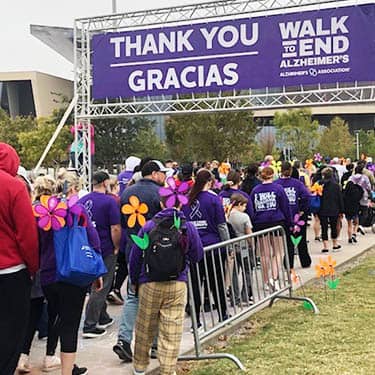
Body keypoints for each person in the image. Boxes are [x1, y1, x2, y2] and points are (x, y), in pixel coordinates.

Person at [35, 172, 102, 375]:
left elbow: (36, 243)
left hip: (48, 274)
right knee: (70, 324)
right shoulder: (77, 210)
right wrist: (96, 271)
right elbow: (93, 239)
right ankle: (66, 371)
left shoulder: (42, 212)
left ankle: (58, 361)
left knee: (58, 316)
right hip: (73, 273)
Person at [131, 196, 203, 375]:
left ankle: (140, 367)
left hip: (149, 282)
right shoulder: (187, 227)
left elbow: (135, 256)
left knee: (145, 327)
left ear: (161, 204)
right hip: (177, 283)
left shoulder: (148, 226)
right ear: (180, 203)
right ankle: (168, 370)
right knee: (171, 329)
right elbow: (197, 255)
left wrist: (135, 281)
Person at [114, 160, 167, 362]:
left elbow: (121, 222)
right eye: (162, 173)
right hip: (156, 252)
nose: (164, 177)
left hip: (133, 248)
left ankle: (124, 339)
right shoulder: (160, 194)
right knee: (156, 297)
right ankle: (153, 344)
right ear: (154, 174)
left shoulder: (126, 193)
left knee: (132, 295)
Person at [0, 143, 39, 375]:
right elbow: (27, 235)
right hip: (12, 271)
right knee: (11, 332)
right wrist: (33, 268)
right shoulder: (14, 187)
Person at [182, 169, 230, 327]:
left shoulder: (186, 200)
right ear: (209, 181)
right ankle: (223, 314)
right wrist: (227, 245)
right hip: (213, 246)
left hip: (194, 247)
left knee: (195, 285)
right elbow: (221, 225)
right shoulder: (213, 199)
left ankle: (196, 322)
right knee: (216, 283)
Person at [80, 171, 121, 338]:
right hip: (104, 247)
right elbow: (115, 228)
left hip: (87, 248)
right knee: (101, 285)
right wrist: (117, 246)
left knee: (96, 284)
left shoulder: (82, 201)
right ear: (105, 183)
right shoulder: (109, 202)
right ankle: (90, 324)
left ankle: (102, 316)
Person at [249, 167, 292, 290]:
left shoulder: (255, 190)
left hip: (260, 222)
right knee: (279, 252)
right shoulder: (278, 188)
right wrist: (289, 223)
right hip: (276, 221)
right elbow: (285, 206)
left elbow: (252, 208)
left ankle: (266, 280)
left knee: (264, 253)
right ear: (272, 175)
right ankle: (274, 277)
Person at [275, 162, 311, 269]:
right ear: (291, 171)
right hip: (297, 215)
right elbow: (306, 196)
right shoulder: (298, 183)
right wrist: (302, 210)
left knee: (288, 240)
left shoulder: (276, 184)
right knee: (301, 239)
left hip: (284, 216)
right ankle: (305, 261)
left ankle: (288, 262)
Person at [227, 193, 253, 305]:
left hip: (232, 246)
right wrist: (252, 245)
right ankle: (245, 296)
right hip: (243, 246)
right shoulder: (244, 217)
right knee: (247, 271)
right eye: (244, 206)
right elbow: (248, 233)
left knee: (233, 272)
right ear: (239, 204)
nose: (245, 208)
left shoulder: (227, 216)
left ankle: (234, 297)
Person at [318, 168, 344, 253]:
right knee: (334, 227)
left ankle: (325, 246)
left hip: (322, 208)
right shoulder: (336, 185)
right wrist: (341, 210)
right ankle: (335, 244)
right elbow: (339, 198)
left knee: (324, 227)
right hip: (334, 208)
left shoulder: (319, 184)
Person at [349, 165, 372, 235]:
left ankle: (356, 224)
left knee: (356, 212)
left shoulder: (351, 178)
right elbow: (369, 187)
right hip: (363, 196)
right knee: (364, 211)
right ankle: (360, 224)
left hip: (354, 197)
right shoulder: (365, 178)